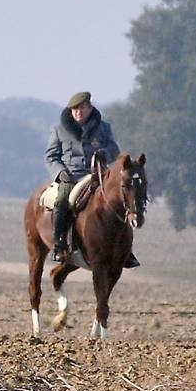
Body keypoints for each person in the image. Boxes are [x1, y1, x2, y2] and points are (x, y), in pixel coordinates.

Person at [41, 91, 122, 265]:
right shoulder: (58, 130)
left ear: (89, 108)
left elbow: (114, 149)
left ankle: (125, 249)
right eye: (75, 109)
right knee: (62, 200)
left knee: (119, 200)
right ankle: (60, 244)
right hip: (71, 177)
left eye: (82, 108)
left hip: (98, 175)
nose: (78, 112)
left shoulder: (103, 128)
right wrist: (59, 172)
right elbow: (50, 157)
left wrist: (104, 153)